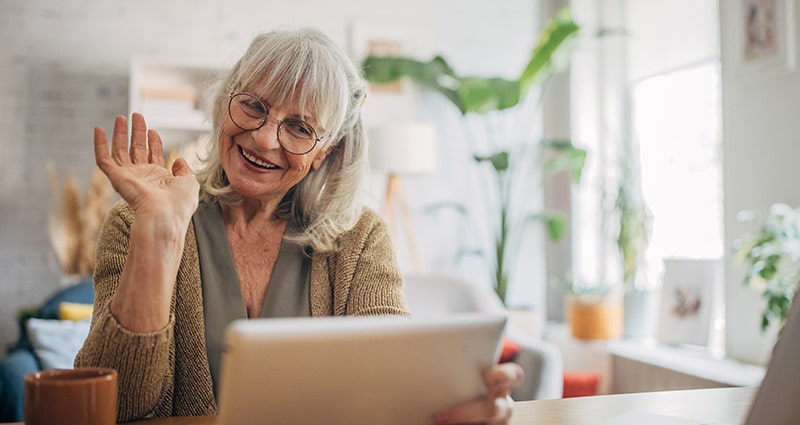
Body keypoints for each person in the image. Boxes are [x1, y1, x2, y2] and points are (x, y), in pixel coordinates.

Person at [75, 28, 523, 424]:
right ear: (226, 102)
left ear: (324, 153)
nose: (265, 138)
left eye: (299, 128)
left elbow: (391, 384)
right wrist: (158, 234)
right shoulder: (138, 220)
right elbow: (110, 408)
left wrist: (451, 407)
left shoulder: (359, 238)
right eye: (253, 105)